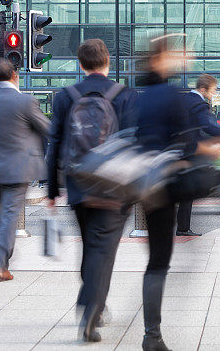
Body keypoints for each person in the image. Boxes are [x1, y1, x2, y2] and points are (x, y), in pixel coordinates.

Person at [46, 39, 137, 343]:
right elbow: (133, 143)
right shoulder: (124, 95)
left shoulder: (65, 96)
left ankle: (93, 302)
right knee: (103, 250)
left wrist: (51, 188)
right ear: (107, 61)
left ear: (80, 64)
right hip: (114, 186)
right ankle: (91, 310)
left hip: (79, 185)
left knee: (89, 245)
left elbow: (55, 143)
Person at [136, 35, 220, 351]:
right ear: (160, 58)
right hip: (167, 184)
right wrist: (209, 150)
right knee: (161, 260)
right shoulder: (171, 95)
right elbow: (186, 142)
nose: (181, 59)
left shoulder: (141, 95)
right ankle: (152, 336)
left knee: (156, 259)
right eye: (175, 55)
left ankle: (151, 332)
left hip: (146, 185)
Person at [0, 59, 49, 281]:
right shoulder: (26, 101)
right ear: (15, 75)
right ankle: (0, 265)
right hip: (19, 167)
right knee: (9, 216)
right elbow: (47, 128)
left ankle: (0, 256)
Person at [177, 73, 220, 236]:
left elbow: (194, 129)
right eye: (213, 90)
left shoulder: (184, 100)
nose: (213, 94)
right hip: (189, 151)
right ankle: (182, 228)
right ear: (203, 88)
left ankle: (181, 227)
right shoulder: (199, 104)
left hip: (178, 148)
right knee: (189, 189)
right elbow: (209, 126)